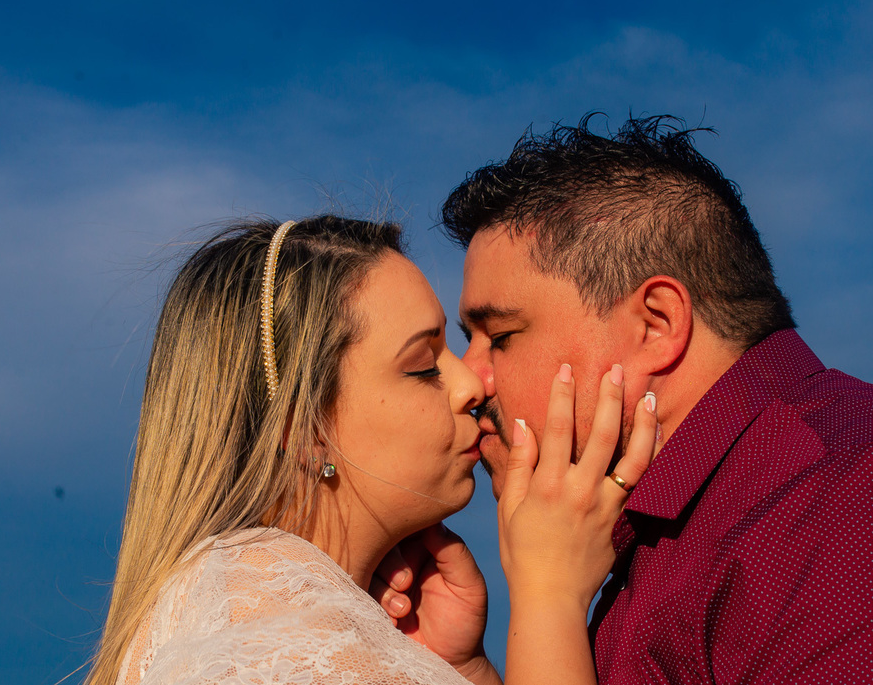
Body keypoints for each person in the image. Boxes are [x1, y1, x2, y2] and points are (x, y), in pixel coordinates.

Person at [378, 115, 873, 683]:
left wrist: (547, 601)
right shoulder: (668, 533)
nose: (470, 382)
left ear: (657, 325)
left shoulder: (834, 505)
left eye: (502, 335)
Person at [82, 216, 657, 685]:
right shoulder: (271, 636)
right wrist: (549, 595)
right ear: (305, 429)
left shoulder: (254, 614)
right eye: (423, 365)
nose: (473, 385)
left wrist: (460, 670)